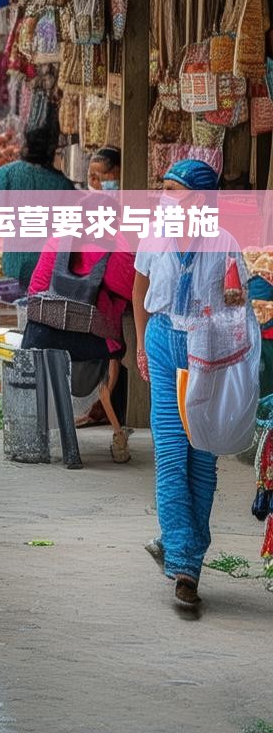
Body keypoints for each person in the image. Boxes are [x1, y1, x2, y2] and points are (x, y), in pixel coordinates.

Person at [133, 159, 254, 612]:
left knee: (201, 455)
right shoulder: (154, 235)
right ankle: (186, 565)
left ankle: (181, 550)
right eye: (162, 187)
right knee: (170, 451)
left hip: (207, 349)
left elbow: (236, 306)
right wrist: (143, 346)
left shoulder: (225, 244)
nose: (164, 196)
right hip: (164, 342)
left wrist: (221, 334)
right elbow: (138, 290)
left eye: (173, 189)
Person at [23, 243, 135, 461]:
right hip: (91, 341)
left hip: (40, 337)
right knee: (119, 354)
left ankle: (40, 432)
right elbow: (130, 289)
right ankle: (118, 432)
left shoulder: (56, 241)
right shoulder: (116, 248)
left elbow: (35, 289)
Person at [0, 118, 75, 287]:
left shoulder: (5, 173)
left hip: (15, 261)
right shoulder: (63, 184)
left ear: (26, 146)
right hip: (47, 264)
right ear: (52, 151)